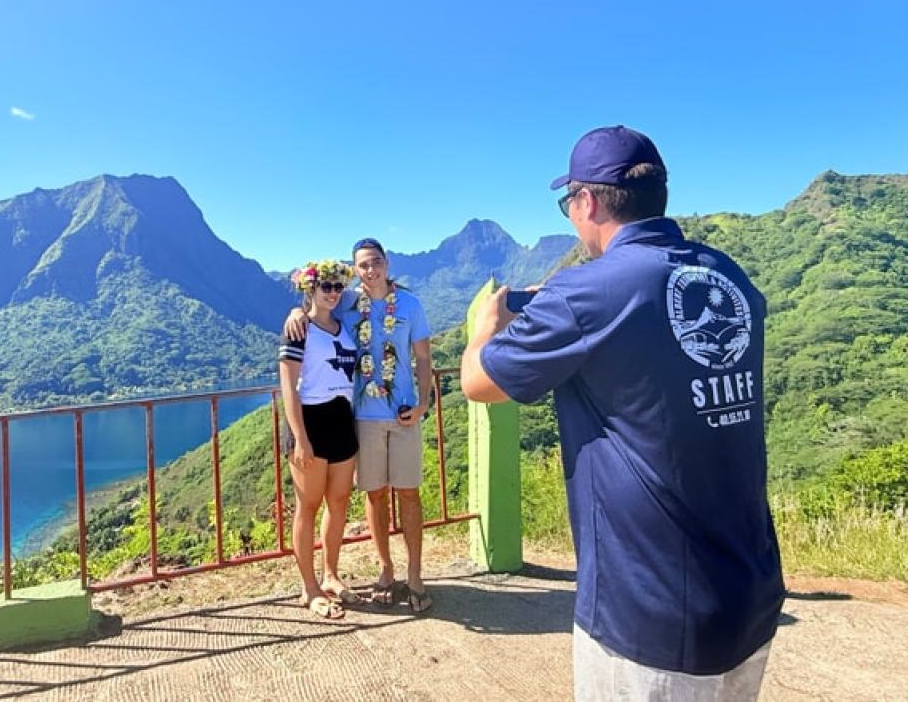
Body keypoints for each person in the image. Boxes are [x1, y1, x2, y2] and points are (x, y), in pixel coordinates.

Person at [461, 126, 784, 701]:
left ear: (586, 202)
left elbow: (479, 383)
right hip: (750, 594)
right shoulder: (727, 276)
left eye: (568, 204)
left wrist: (485, 331)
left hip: (648, 617)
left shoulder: (587, 293)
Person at [286, 238, 434, 613]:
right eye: (362, 266)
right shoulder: (351, 304)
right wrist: (296, 311)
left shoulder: (410, 305)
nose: (370, 271)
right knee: (373, 495)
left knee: (407, 494)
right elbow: (316, 305)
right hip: (362, 417)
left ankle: (414, 574)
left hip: (400, 414)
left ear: (387, 264)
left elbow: (423, 357)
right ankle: (383, 571)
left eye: (376, 263)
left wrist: (423, 403)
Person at [278, 258, 361, 620]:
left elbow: (387, 294)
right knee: (308, 506)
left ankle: (330, 575)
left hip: (343, 420)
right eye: (324, 286)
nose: (332, 292)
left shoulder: (346, 328)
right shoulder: (299, 330)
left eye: (337, 286)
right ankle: (308, 587)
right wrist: (300, 438)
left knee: (339, 500)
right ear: (310, 289)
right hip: (310, 422)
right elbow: (288, 387)